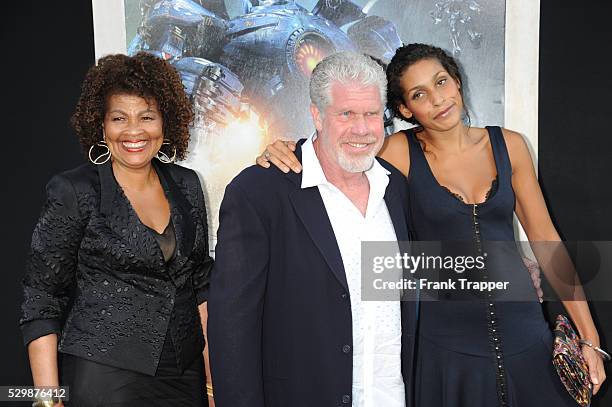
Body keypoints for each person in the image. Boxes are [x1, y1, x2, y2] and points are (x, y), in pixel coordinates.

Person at [257, 43, 607, 406]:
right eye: (420, 94)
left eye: (441, 82)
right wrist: (287, 149)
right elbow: (335, 150)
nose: (438, 99)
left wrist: (589, 338)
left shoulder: (510, 146)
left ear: (457, 81)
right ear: (406, 109)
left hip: (527, 338)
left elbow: (547, 242)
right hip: (445, 352)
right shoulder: (396, 152)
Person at [207, 52, 417, 407]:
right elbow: (232, 330)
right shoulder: (259, 192)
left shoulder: (394, 187)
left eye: (370, 114)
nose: (362, 129)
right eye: (346, 113)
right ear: (317, 115)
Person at [20, 52, 214, 407]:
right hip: (105, 378)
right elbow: (42, 300)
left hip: (185, 378)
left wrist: (214, 384)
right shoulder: (74, 191)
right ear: (101, 125)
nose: (134, 131)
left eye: (147, 117)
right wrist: (47, 400)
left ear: (165, 122)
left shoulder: (187, 185)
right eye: (119, 118)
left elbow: (201, 287)